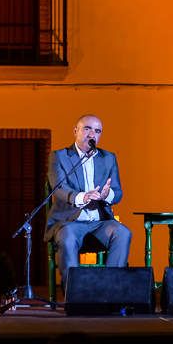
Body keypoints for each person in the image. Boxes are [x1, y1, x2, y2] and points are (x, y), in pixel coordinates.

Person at [45, 114, 132, 280]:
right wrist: (83, 197)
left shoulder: (108, 158)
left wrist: (108, 195)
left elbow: (117, 192)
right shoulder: (60, 156)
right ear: (75, 131)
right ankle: (74, 294)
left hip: (100, 222)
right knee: (67, 237)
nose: (92, 134)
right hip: (70, 222)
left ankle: (109, 290)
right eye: (87, 129)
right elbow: (59, 188)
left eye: (97, 131)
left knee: (123, 233)